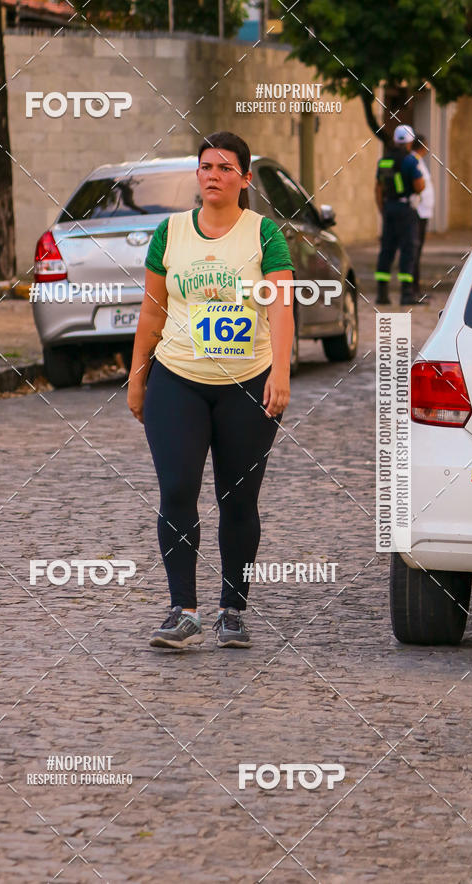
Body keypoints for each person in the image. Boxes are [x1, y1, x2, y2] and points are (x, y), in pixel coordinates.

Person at [127, 131, 295, 649]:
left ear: (245, 178)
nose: (214, 176)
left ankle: (232, 611)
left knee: (238, 500)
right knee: (177, 490)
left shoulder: (264, 234)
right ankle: (183, 611)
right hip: (177, 381)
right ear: (197, 174)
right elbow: (152, 312)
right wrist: (137, 378)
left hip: (247, 384)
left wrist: (281, 372)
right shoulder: (171, 232)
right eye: (206, 167)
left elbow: (281, 308)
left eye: (225, 168)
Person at [374, 124, 425, 306]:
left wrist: (383, 209)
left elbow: (378, 189)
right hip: (405, 210)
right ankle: (406, 294)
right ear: (410, 142)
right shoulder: (410, 161)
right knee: (408, 249)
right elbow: (419, 186)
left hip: (389, 208)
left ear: (396, 140)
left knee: (386, 249)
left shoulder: (383, 161)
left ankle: (382, 294)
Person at [410, 134, 435, 302]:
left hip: (423, 213)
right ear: (422, 146)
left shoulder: (418, 161)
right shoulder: (413, 161)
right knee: (415, 252)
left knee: (417, 252)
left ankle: (416, 289)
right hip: (418, 213)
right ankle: (413, 290)